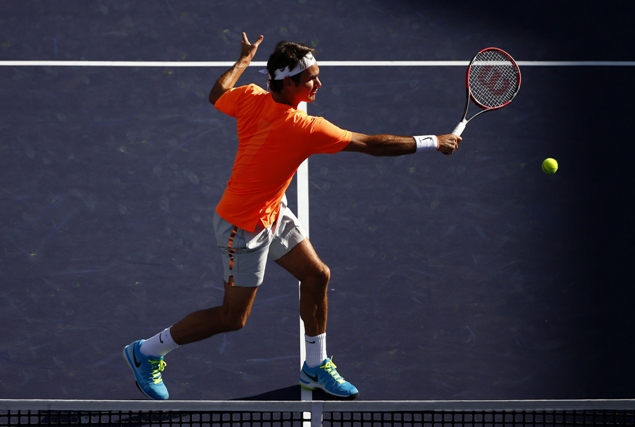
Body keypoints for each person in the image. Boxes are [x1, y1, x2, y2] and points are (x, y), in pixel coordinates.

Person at [123, 32, 461, 401]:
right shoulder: (305, 128)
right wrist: (433, 141)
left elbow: (216, 94)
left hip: (272, 211)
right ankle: (146, 352)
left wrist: (242, 60)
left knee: (317, 275)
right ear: (287, 84)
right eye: (311, 78)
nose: (319, 83)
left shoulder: (251, 96)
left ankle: (315, 366)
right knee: (232, 319)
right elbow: (371, 145)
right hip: (243, 227)